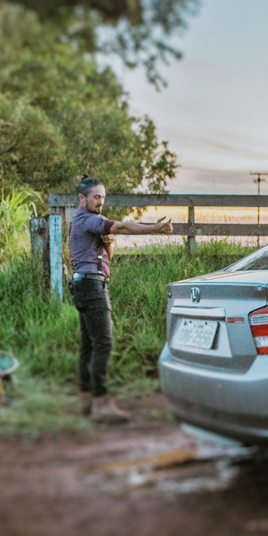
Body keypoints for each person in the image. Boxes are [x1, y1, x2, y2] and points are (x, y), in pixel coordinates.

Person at [69, 175, 173, 423]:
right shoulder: (89, 220)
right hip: (92, 287)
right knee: (103, 343)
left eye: (103, 198)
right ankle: (101, 404)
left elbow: (108, 257)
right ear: (82, 198)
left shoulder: (83, 222)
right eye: (96, 197)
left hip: (85, 283)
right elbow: (123, 227)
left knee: (89, 345)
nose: (100, 202)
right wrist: (155, 228)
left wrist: (108, 243)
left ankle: (86, 400)